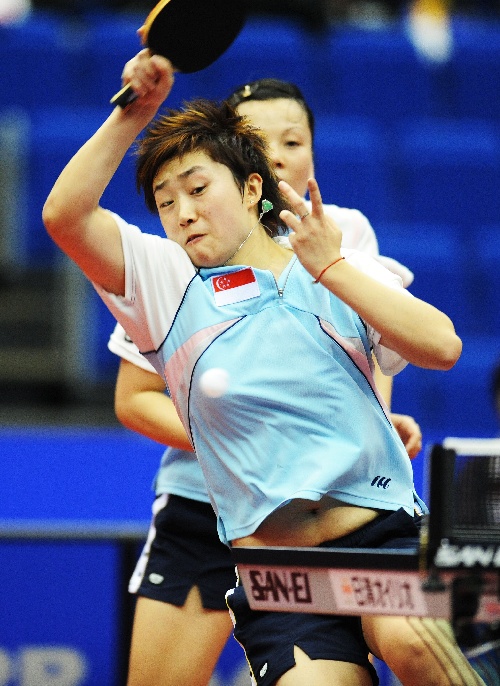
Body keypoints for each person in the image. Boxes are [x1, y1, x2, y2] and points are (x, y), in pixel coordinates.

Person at [42, 50, 481, 686]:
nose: (183, 212)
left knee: (414, 640)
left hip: (381, 539)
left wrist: (332, 268)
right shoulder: (165, 282)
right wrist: (133, 114)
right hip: (282, 577)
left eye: (198, 189)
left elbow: (443, 347)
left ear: (251, 189)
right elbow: (65, 217)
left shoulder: (334, 255)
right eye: (166, 202)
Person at [108, 75, 423, 686]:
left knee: (413, 645)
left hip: (342, 510)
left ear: (313, 154)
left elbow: (368, 353)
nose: (277, 155)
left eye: (294, 141)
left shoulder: (343, 232)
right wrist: (251, 440)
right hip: (205, 507)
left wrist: (372, 426)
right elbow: (134, 398)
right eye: (260, 139)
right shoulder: (181, 256)